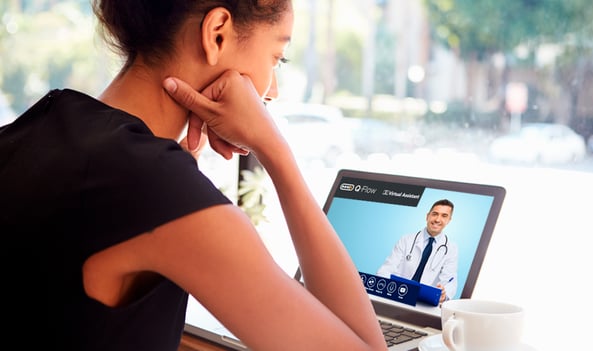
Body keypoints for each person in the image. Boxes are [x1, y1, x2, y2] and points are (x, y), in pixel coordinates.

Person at [0, 1, 388, 350]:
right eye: (277, 58)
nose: (273, 91)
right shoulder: (154, 186)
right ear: (217, 33)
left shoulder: (40, 123)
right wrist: (275, 150)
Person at [376, 199, 459, 302]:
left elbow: (450, 280)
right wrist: (386, 288)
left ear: (449, 220)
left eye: (444, 216)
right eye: (435, 214)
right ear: (427, 216)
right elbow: (386, 269)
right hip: (396, 295)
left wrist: (444, 293)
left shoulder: (451, 249)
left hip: (424, 302)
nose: (437, 219)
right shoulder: (406, 240)